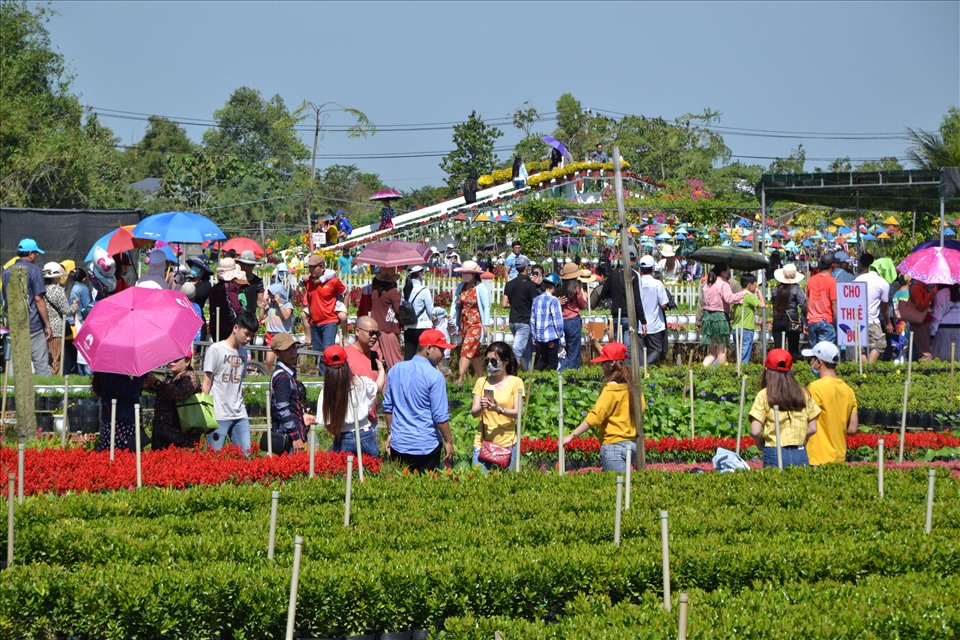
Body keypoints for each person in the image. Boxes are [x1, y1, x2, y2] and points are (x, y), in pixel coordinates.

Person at [562, 342, 644, 472]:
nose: (601, 366)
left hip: (613, 446)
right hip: (632, 444)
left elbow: (596, 416)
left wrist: (571, 436)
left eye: (603, 362)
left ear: (612, 364)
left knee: (615, 488)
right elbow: (642, 409)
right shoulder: (633, 385)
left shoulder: (611, 388)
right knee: (627, 488)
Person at [382, 329, 455, 472]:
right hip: (426, 446)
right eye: (441, 349)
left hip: (399, 444)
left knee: (400, 488)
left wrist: (391, 433)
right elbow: (440, 417)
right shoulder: (435, 376)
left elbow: (388, 407)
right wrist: (449, 441)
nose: (443, 354)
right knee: (426, 490)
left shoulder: (395, 370)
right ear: (429, 348)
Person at [749, 348, 820, 468]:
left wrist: (762, 440)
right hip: (800, 452)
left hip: (774, 451)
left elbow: (755, 431)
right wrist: (799, 435)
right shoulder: (804, 394)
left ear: (766, 370)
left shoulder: (764, 395)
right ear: (791, 370)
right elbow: (813, 428)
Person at [202, 310, 258, 454]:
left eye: (251, 336)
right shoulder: (215, 350)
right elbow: (207, 382)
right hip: (218, 414)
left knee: (246, 455)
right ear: (235, 328)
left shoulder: (244, 353)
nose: (248, 339)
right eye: (246, 334)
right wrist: (204, 412)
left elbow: (239, 382)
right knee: (215, 457)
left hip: (240, 414)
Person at [318, 343, 384, 457]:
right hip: (365, 433)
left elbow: (327, 424)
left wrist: (338, 432)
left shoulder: (326, 393)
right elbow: (378, 387)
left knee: (344, 472)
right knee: (372, 472)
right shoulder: (362, 383)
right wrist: (382, 371)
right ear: (347, 362)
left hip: (343, 436)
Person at [470, 341, 524, 471]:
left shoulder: (516, 382)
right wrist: (483, 406)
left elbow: (518, 413)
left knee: (507, 485)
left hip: (507, 443)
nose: (489, 364)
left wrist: (498, 409)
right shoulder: (481, 382)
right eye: (487, 361)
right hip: (483, 443)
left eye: (494, 361)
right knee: (479, 483)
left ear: (505, 362)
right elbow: (474, 412)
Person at [802, 341, 858, 466]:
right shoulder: (849, 391)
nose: (811, 363)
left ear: (819, 362)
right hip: (839, 457)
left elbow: (806, 421)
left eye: (811, 359)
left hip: (817, 457)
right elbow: (852, 429)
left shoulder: (815, 388)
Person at [2, 239, 53, 375]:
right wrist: (48, 325)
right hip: (33, 325)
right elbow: (38, 299)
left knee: (15, 365)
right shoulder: (35, 270)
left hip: (15, 326)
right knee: (41, 365)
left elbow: (6, 301)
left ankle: (11, 395)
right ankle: (46, 396)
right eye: (36, 253)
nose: (36, 256)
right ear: (30, 253)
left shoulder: (6, 273)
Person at [142, 353, 204, 450]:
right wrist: (149, 384)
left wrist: (156, 383)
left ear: (187, 362)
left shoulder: (191, 377)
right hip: (162, 436)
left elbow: (179, 393)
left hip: (180, 438)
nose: (172, 361)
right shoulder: (170, 379)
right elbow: (165, 389)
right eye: (171, 358)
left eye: (177, 359)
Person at [593, 247, 647, 356]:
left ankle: (619, 369)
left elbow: (604, 293)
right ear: (635, 259)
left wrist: (614, 295)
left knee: (618, 346)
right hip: (630, 315)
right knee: (628, 348)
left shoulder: (614, 274)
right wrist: (643, 321)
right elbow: (637, 299)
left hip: (616, 315)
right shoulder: (634, 275)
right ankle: (626, 370)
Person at [269, 333, 316, 454]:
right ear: (277, 353)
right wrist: (295, 437)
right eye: (287, 350)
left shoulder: (287, 374)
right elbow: (283, 410)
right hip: (289, 438)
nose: (292, 353)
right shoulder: (282, 377)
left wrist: (302, 416)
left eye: (293, 348)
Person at [302, 254, 346, 373]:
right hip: (314, 322)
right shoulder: (309, 282)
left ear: (322, 267)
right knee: (318, 353)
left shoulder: (333, 281)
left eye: (313, 267)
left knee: (328, 351)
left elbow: (345, 292)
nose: (311, 270)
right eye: (309, 267)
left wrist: (343, 308)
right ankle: (322, 378)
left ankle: (330, 376)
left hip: (329, 321)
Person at [698, 263, 745, 366]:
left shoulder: (708, 283)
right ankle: (721, 375)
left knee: (712, 353)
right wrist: (742, 294)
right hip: (720, 318)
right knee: (721, 351)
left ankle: (701, 370)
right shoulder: (724, 284)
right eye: (727, 270)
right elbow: (729, 299)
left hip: (708, 317)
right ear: (723, 272)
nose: (728, 272)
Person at [451, 260, 491, 384]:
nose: (465, 275)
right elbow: (455, 303)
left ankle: (460, 377)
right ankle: (481, 378)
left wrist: (486, 324)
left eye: (467, 273)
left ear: (474, 274)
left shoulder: (480, 287)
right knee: (474, 353)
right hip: (464, 323)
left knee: (466, 349)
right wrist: (452, 318)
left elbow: (486, 306)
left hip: (476, 323)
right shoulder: (460, 286)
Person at [358, 266, 403, 368]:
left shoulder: (375, 291)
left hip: (376, 328)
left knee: (375, 359)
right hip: (389, 329)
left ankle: (375, 379)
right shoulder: (392, 292)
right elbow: (399, 310)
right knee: (395, 361)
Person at [92, 371, 146, 452]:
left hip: (117, 424)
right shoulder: (114, 374)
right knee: (123, 458)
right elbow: (131, 392)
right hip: (121, 426)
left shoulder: (111, 373)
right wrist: (141, 375)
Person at [854, 253, 892, 363]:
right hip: (873, 321)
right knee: (879, 347)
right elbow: (884, 307)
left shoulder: (858, 279)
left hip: (858, 320)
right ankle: (869, 368)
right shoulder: (883, 283)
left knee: (861, 349)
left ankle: (864, 371)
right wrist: (888, 323)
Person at [502, 255, 537, 369]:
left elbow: (504, 304)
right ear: (527, 267)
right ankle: (509, 371)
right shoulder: (530, 285)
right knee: (517, 350)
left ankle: (527, 371)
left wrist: (515, 302)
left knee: (525, 348)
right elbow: (535, 303)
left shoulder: (509, 284)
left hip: (513, 320)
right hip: (524, 321)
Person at [635, 256, 669, 366]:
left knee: (640, 351)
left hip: (639, 324)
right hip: (654, 324)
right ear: (653, 268)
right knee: (656, 350)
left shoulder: (636, 283)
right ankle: (645, 367)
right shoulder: (657, 284)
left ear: (640, 269)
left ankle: (641, 370)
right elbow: (664, 304)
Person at [770, 263, 806, 360]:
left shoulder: (775, 290)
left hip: (777, 320)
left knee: (777, 349)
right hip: (792, 321)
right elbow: (803, 304)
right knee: (793, 350)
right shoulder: (796, 289)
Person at [530, 273, 565, 371]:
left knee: (543, 360)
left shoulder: (536, 300)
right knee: (553, 363)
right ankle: (551, 383)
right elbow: (558, 322)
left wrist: (534, 337)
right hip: (551, 337)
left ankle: (534, 379)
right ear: (555, 286)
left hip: (540, 337)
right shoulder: (554, 300)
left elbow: (532, 320)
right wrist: (562, 338)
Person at [207, 257, 247, 343]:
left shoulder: (214, 288)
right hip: (227, 325)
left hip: (215, 324)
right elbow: (236, 307)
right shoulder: (230, 287)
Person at [557, 262, 588, 370]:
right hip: (573, 320)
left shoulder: (559, 287)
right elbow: (583, 304)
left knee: (562, 351)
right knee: (574, 351)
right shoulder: (576, 287)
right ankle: (572, 375)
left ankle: (561, 373)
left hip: (560, 320)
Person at [401, 265, 435, 360]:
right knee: (423, 356)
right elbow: (431, 311)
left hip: (409, 327)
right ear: (420, 274)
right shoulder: (424, 290)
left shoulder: (405, 290)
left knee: (408, 356)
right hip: (423, 327)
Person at [42, 262, 69, 375]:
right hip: (56, 329)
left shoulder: (42, 288)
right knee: (55, 359)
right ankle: (54, 384)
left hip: (44, 327)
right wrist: (74, 307)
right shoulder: (57, 290)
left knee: (47, 358)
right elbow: (66, 310)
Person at [730, 274, 765, 365]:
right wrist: (760, 294)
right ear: (750, 285)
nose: (756, 287)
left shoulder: (738, 295)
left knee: (738, 354)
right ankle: (743, 374)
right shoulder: (748, 296)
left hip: (736, 328)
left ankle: (738, 372)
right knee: (744, 355)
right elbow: (763, 305)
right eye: (755, 285)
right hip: (746, 328)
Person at [805, 254, 838, 348]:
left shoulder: (811, 280)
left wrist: (808, 316)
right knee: (825, 353)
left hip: (812, 320)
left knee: (814, 351)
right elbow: (833, 303)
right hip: (826, 320)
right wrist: (839, 318)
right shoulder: (832, 281)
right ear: (833, 265)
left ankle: (813, 363)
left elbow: (807, 300)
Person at [263, 283, 294, 371]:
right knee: (269, 360)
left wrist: (280, 304)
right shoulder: (271, 305)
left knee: (284, 359)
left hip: (283, 335)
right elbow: (262, 317)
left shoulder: (287, 305)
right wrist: (263, 306)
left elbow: (286, 316)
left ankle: (284, 373)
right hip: (271, 335)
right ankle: (268, 375)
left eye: (272, 295)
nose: (270, 297)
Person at [931, 283, 960, 361]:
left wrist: (932, 334)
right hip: (958, 328)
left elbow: (937, 317)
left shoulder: (941, 294)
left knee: (942, 360)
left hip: (943, 330)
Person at [236, 250, 264, 315]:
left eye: (248, 265)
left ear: (252, 266)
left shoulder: (257, 281)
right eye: (243, 264)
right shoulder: (235, 279)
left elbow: (260, 301)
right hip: (236, 315)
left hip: (250, 315)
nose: (245, 267)